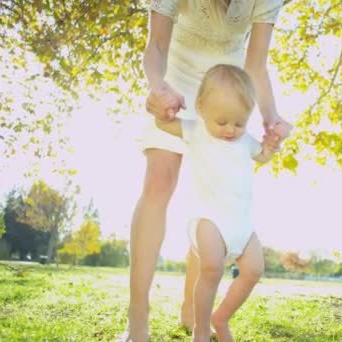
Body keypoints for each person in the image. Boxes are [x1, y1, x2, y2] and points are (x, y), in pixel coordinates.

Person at [124, 1, 290, 341]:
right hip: (176, 78)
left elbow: (256, 64)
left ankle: (193, 311)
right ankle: (137, 318)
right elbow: (156, 45)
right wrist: (158, 88)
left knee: (214, 197)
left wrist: (270, 118)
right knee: (159, 181)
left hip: (226, 91)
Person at [155, 63, 278, 341]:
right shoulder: (195, 130)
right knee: (211, 267)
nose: (230, 130)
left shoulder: (244, 140)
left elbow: (262, 157)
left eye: (239, 122)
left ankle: (220, 318)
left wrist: (270, 145)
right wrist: (164, 111)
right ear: (201, 107)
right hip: (208, 218)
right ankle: (200, 329)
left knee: (254, 269)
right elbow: (163, 124)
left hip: (241, 223)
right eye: (222, 122)